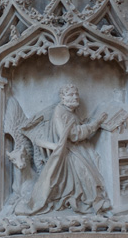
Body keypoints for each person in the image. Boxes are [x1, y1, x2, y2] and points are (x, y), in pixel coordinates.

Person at [17, 84, 111, 215]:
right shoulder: (60, 112)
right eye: (71, 94)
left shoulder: (70, 111)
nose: (75, 97)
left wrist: (89, 123)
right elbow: (73, 134)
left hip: (75, 147)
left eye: (76, 94)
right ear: (63, 98)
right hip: (65, 152)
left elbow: (76, 127)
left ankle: (97, 197)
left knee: (93, 159)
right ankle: (95, 200)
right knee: (84, 169)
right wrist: (95, 124)